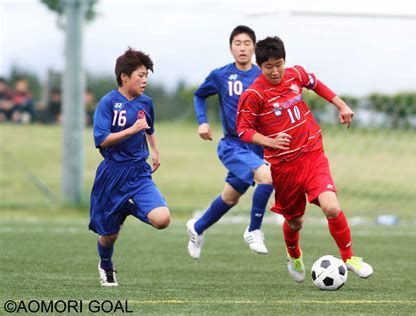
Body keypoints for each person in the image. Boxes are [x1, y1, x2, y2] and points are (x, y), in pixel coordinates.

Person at [236, 36, 373, 283]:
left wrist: (341, 105)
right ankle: (294, 254)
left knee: (331, 206)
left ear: (284, 61)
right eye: (269, 67)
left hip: (312, 155)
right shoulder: (254, 94)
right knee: (295, 221)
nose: (276, 71)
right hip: (285, 167)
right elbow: (243, 130)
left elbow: (316, 84)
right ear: (260, 66)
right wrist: (271, 141)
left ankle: (350, 257)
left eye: (279, 64)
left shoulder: (294, 74)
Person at [186, 25, 274, 259]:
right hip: (233, 145)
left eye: (247, 43)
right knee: (266, 177)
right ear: (230, 48)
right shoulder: (220, 75)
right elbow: (199, 94)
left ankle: (197, 227)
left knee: (230, 198)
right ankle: (254, 230)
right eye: (238, 43)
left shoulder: (262, 76)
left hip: (257, 146)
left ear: (254, 48)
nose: (242, 48)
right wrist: (203, 122)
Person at [89, 48, 171, 286]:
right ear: (124, 77)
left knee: (162, 219)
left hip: (138, 172)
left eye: (147, 75)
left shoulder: (146, 102)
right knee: (108, 235)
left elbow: (148, 127)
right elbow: (101, 140)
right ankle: (106, 266)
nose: (145, 80)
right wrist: (130, 130)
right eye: (140, 75)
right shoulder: (107, 103)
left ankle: (127, 208)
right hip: (112, 174)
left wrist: (155, 150)